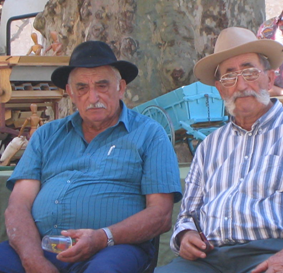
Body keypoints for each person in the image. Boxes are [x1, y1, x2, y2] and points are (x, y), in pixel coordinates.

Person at [155, 27, 283, 273]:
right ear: (221, 90)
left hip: (274, 252)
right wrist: (185, 235)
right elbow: (188, 213)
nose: (241, 85)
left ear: (270, 78)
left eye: (250, 72)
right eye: (229, 77)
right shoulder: (209, 146)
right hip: (210, 259)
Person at [0, 40, 182, 273]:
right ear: (70, 93)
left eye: (102, 86)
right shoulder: (46, 135)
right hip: (41, 247)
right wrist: (33, 261)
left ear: (121, 87)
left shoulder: (149, 134)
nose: (93, 96)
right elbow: (17, 205)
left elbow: (161, 215)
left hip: (112, 248)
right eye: (82, 88)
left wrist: (102, 237)